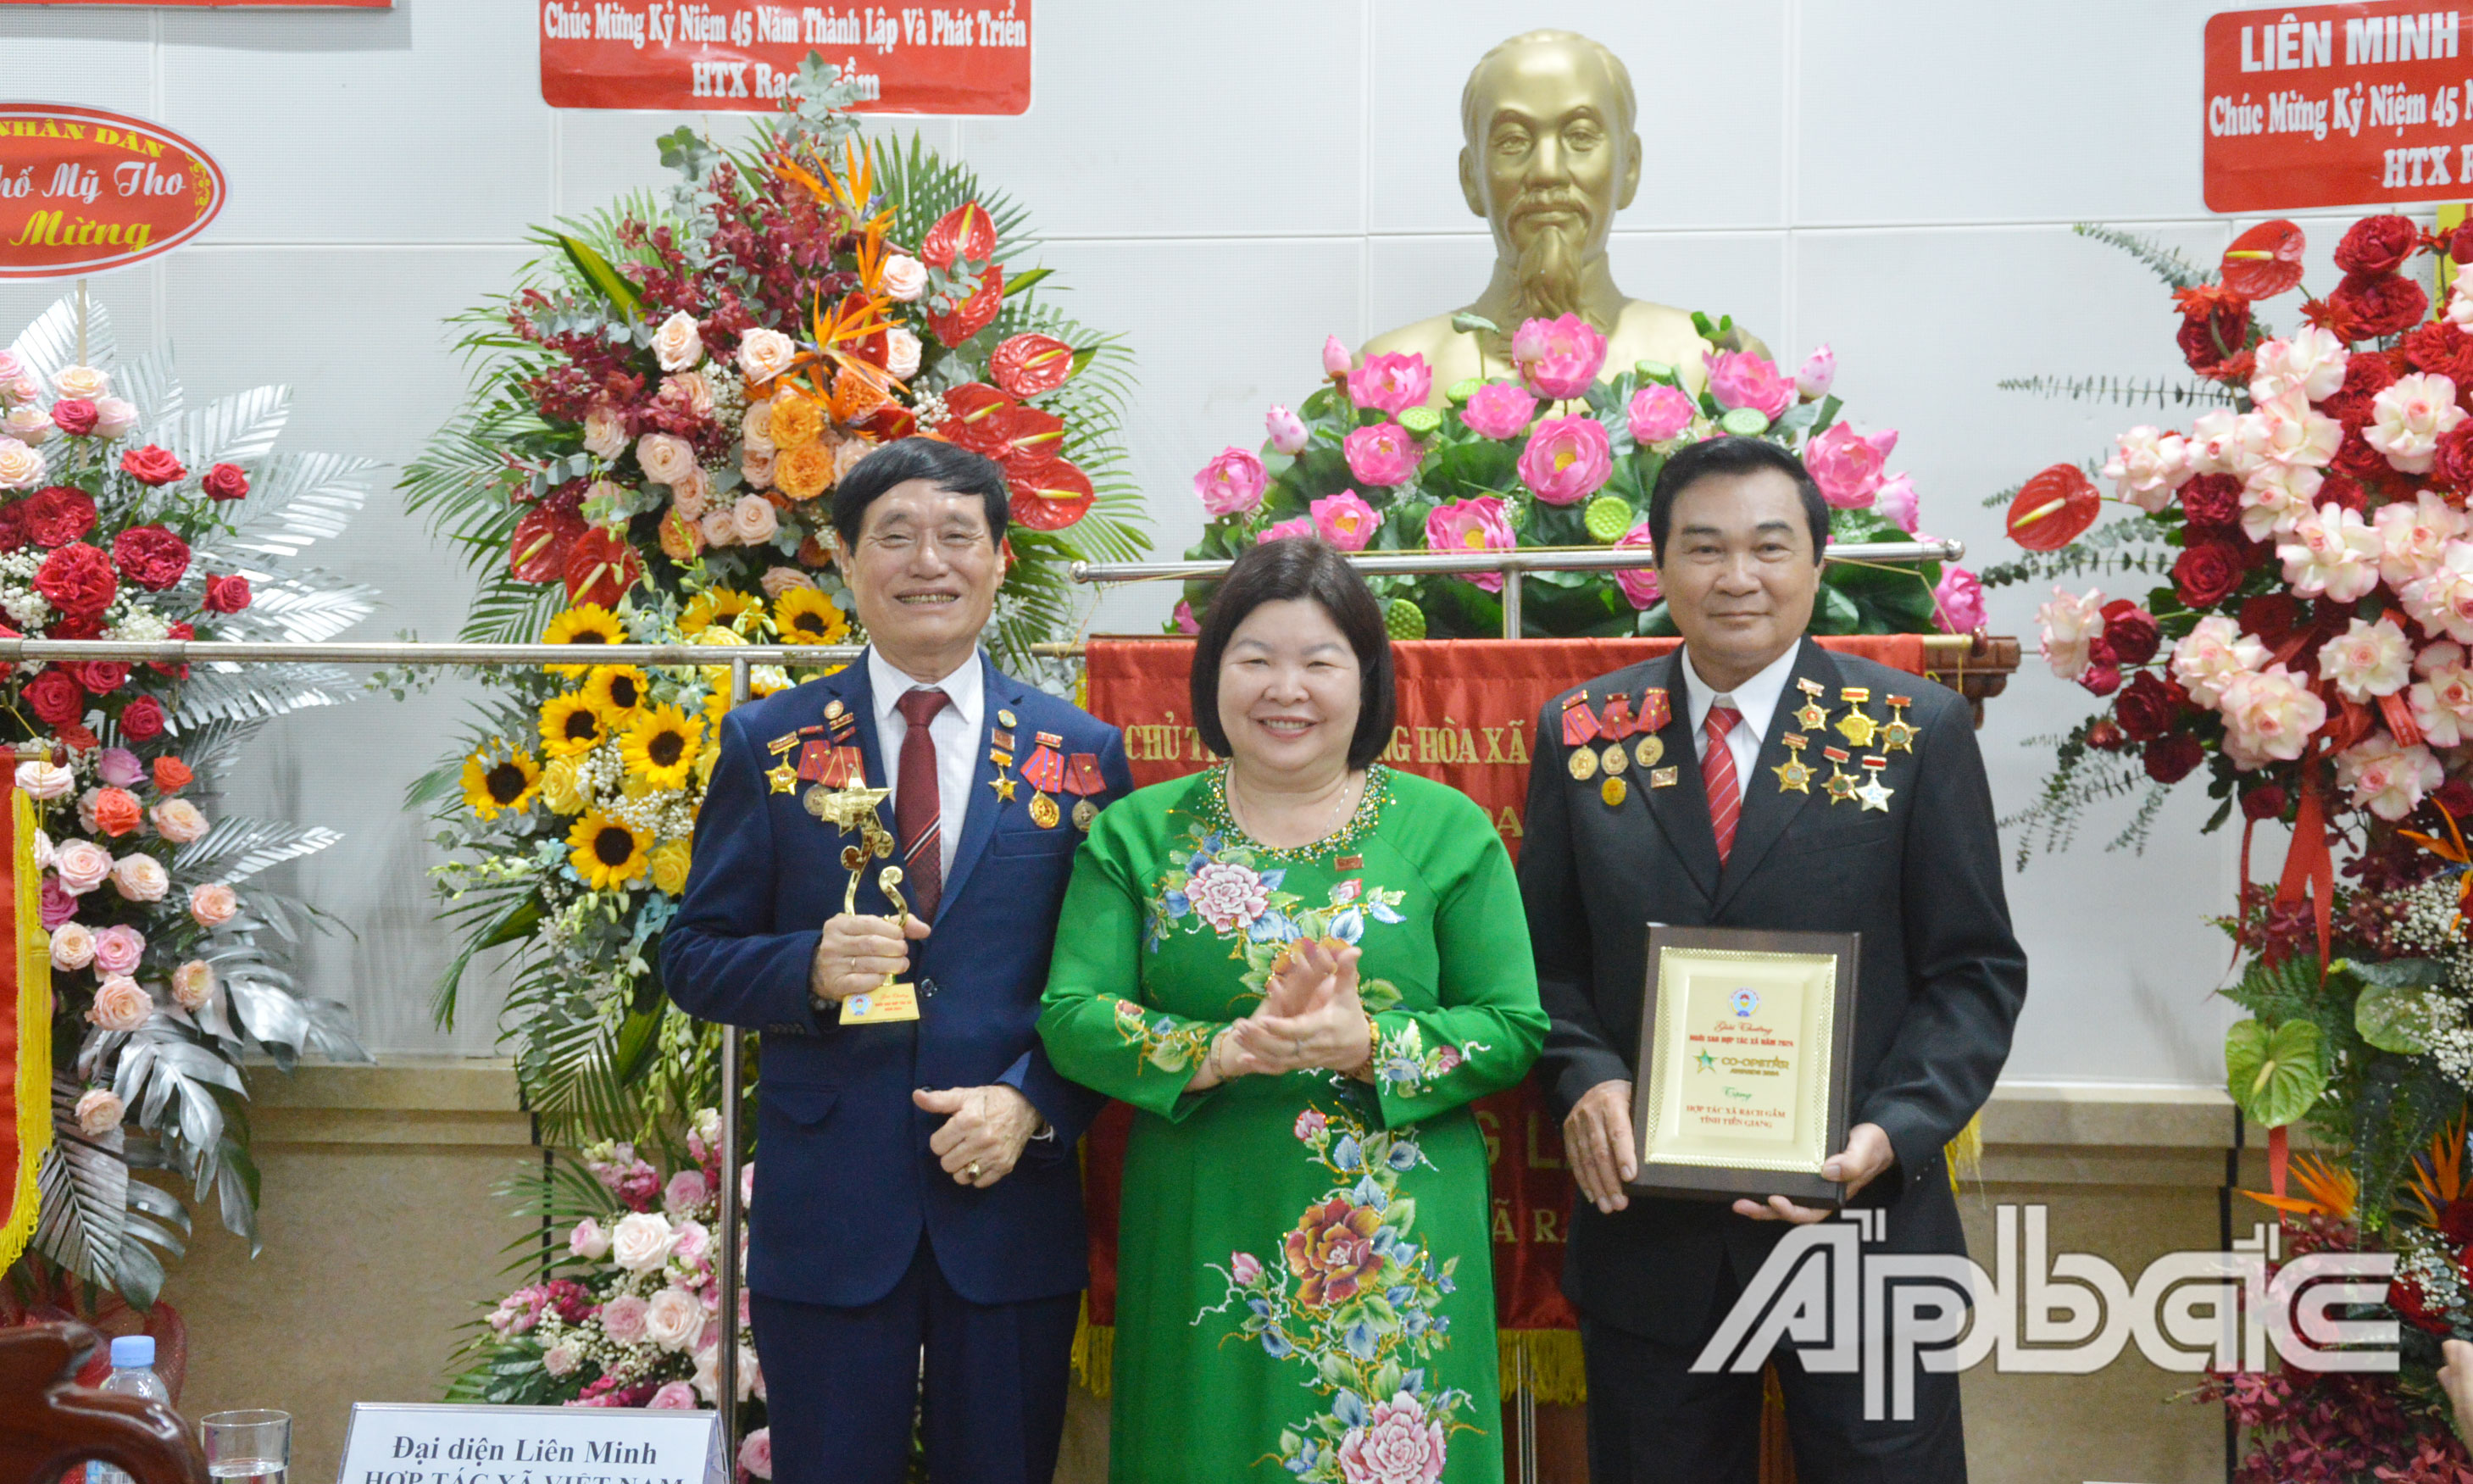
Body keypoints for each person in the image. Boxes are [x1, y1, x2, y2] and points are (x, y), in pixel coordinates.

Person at [1518, 436, 2027, 1482]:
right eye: (1702, 548)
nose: (1735, 577)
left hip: (1865, 1230)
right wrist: (1589, 1076)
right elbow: (1542, 965)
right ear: (1658, 567)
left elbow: (1971, 970)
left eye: (1767, 546)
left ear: (1817, 561)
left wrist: (1887, 1132)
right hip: (1651, 1248)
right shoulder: (1582, 732)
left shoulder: (1908, 727)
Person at [662, 437, 1131, 1484]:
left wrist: (1031, 1103)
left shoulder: (1078, 751)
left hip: (1006, 1198)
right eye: (897, 535)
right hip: (831, 1212)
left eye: (957, 534)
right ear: (843, 556)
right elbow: (691, 954)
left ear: (1000, 557)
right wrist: (805, 966)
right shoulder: (769, 742)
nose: (930, 560)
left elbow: (1115, 983)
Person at [1038, 537, 1548, 1482]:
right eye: (1254, 659)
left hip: (1395, 1234)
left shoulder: (1445, 828)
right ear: (1210, 675)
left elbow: (1512, 1025)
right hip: (1204, 1215)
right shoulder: (1136, 833)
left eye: (1319, 661)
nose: (1286, 689)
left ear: (1365, 681)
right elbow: (1070, 1014)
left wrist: (1374, 1044)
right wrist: (1221, 1047)